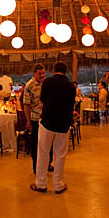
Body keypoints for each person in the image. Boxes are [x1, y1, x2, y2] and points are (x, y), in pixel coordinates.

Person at [30, 62, 76, 194]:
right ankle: (59, 185)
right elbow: (71, 105)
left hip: (47, 122)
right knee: (60, 155)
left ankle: (41, 184)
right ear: (65, 71)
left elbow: (42, 100)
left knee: (43, 153)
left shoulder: (47, 82)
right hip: (63, 124)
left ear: (54, 70)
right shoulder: (71, 86)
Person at [23, 63, 53, 175]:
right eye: (40, 73)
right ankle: (36, 168)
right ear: (34, 73)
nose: (42, 75)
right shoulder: (29, 86)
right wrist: (28, 120)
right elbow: (26, 104)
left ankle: (48, 164)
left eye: (43, 73)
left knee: (49, 143)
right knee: (36, 145)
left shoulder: (47, 83)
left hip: (48, 119)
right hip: (36, 119)